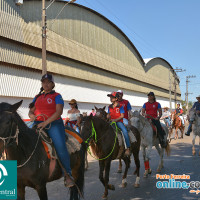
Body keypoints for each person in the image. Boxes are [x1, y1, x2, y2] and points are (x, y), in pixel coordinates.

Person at [28, 73, 74, 187]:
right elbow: (31, 111)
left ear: (52, 84)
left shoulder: (57, 96)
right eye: (43, 82)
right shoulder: (37, 96)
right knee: (21, 138)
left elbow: (59, 112)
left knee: (60, 147)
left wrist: (45, 122)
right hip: (37, 123)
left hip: (53, 124)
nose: (46, 84)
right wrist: (31, 115)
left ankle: (68, 175)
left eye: (48, 82)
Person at [107, 91, 131, 156]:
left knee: (125, 131)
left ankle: (127, 148)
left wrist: (115, 120)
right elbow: (108, 115)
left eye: (112, 97)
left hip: (119, 122)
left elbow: (122, 116)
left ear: (116, 99)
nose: (110, 98)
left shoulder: (120, 106)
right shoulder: (109, 106)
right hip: (111, 122)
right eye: (110, 97)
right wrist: (107, 117)